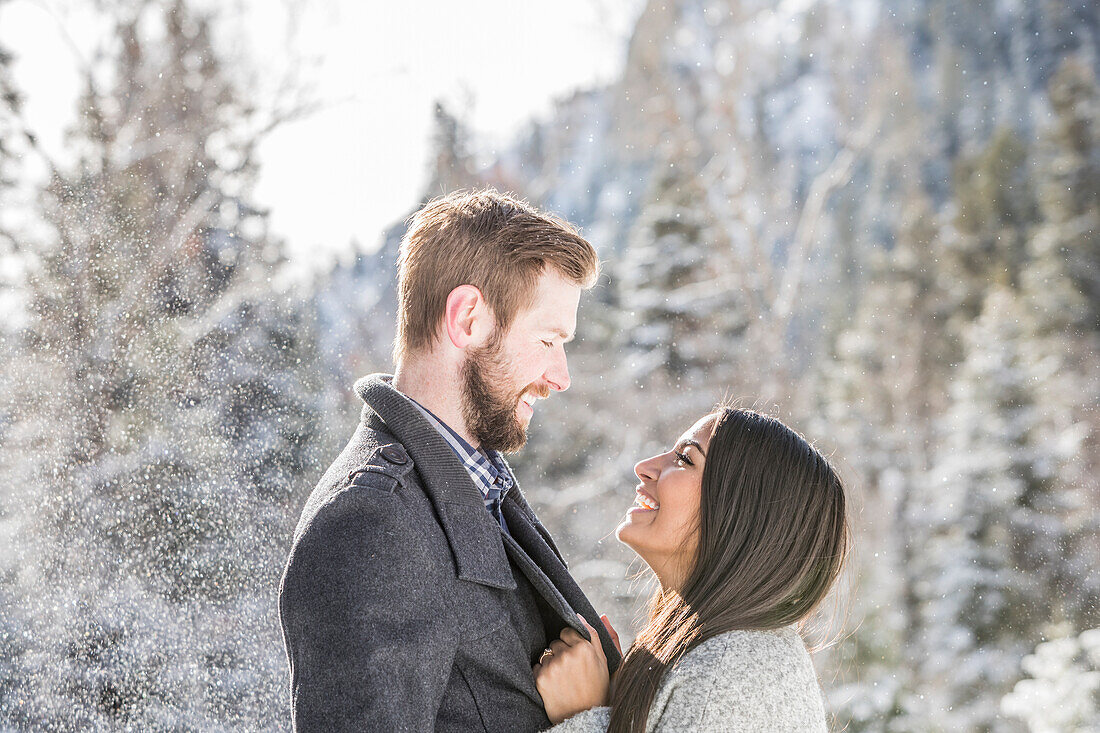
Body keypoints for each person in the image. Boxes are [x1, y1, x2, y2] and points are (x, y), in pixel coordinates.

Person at [278, 189, 621, 731]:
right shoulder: (370, 524)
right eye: (548, 340)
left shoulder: (477, 486)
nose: (561, 376)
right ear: (468, 319)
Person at [534, 407, 849, 732]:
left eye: (685, 459)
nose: (644, 468)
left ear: (740, 515)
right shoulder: (734, 657)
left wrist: (583, 716)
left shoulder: (726, 676)